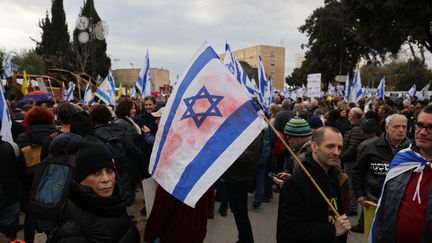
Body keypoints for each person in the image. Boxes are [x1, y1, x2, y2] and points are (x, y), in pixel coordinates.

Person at [47, 142, 140, 242]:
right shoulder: (72, 225)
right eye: (96, 173)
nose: (106, 179)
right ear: (82, 180)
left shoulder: (116, 202)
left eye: (109, 171)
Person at [277, 127, 351, 243]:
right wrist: (331, 230)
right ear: (314, 147)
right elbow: (288, 231)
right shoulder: (296, 183)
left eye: (339, 147)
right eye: (330, 146)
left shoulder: (336, 176)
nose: (336, 152)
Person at [370, 105, 432, 243]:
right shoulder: (403, 159)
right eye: (419, 125)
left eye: (430, 127)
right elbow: (384, 207)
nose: (422, 132)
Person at [223, 132, 263, 243]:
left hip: (240, 179)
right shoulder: (247, 130)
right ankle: (243, 238)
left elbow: (249, 157)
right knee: (238, 212)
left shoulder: (255, 132)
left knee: (240, 213)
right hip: (235, 177)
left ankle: (246, 240)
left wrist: (229, 152)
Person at [340, 107, 364, 216]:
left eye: (350, 113)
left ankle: (353, 206)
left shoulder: (356, 129)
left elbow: (353, 147)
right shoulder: (354, 127)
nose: (348, 115)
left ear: (354, 116)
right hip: (349, 159)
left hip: (351, 160)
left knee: (351, 184)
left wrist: (342, 156)